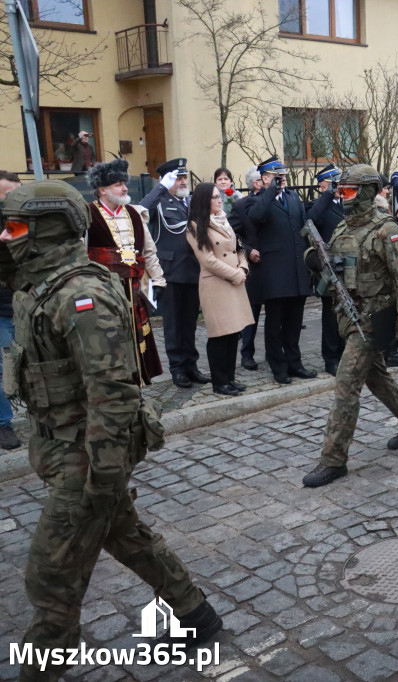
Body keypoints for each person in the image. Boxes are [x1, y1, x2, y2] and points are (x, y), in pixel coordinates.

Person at [3, 181, 221, 681]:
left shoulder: (81, 295)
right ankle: (195, 613)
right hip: (61, 445)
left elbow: (114, 394)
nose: (5, 237)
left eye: (14, 228)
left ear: (45, 230)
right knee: (124, 535)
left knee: (52, 575)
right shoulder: (39, 284)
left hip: (88, 453)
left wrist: (100, 475)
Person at [301, 165, 398, 488]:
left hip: (374, 321)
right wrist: (313, 259)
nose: (343, 198)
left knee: (346, 386)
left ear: (368, 193)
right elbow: (327, 259)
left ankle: (333, 459)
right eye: (340, 192)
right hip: (349, 317)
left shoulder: (387, 231)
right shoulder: (343, 229)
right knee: (377, 377)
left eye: (349, 192)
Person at [85, 158, 164, 385]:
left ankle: (137, 381)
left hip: (134, 287)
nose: (125, 187)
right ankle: (116, 385)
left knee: (136, 336)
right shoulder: (88, 214)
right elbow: (81, 254)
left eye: (124, 182)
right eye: (118, 184)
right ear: (102, 189)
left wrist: (158, 280)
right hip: (105, 290)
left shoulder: (134, 213)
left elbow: (149, 251)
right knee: (111, 338)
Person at [247, 155, 316, 384]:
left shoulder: (293, 197)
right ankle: (278, 366)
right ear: (265, 178)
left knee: (294, 322)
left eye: (283, 175)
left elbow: (304, 226)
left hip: (296, 270)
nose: (282, 179)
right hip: (275, 273)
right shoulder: (259, 200)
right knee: (275, 323)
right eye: (277, 176)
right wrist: (270, 192)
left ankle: (295, 363)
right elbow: (256, 218)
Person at [141, 157, 206, 389]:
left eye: (183, 177)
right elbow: (140, 210)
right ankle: (177, 368)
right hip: (170, 272)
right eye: (177, 178)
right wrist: (160, 188)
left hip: (192, 270)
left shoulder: (188, 202)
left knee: (189, 323)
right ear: (167, 179)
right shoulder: (159, 202)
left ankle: (191, 365)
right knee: (174, 325)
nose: (182, 181)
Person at [186, 182, 253, 396]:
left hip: (235, 281)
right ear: (204, 201)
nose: (219, 200)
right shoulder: (194, 227)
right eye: (214, 197)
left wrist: (243, 267)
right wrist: (235, 274)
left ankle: (230, 378)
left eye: (219, 196)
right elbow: (207, 260)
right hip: (216, 284)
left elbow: (237, 247)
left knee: (234, 333)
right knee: (219, 335)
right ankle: (219, 382)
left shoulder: (223, 220)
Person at [307, 163, 347, 375]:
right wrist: (327, 196)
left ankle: (344, 353)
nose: (339, 186)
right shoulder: (318, 204)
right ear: (324, 185)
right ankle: (331, 358)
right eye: (335, 183)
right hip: (329, 268)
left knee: (347, 314)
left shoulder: (345, 204)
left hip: (348, 265)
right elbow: (311, 220)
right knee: (331, 317)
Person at [228, 166, 265, 371]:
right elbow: (232, 235)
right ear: (255, 183)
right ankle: (247, 353)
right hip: (254, 265)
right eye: (264, 178)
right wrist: (248, 250)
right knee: (252, 311)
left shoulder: (276, 203)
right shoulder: (241, 206)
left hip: (275, 263)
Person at [0, 171, 21, 449]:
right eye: (8, 194)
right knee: (3, 368)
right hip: (2, 307)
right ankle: (3, 423)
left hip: (29, 304)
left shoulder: (27, 222)